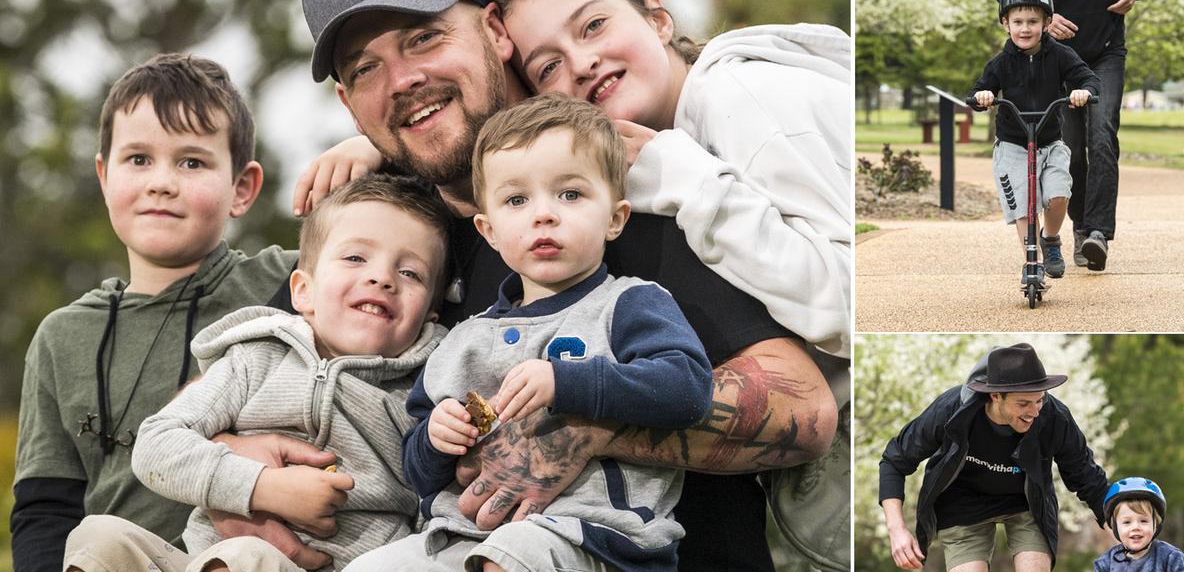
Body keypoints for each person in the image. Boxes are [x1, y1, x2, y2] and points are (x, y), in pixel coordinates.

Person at [289, 0, 837, 571]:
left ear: (495, 33)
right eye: (368, 68)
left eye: (424, 39)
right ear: (353, 107)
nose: (404, 79)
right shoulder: (374, 226)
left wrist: (589, 423)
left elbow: (802, 409)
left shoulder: (612, 192)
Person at [349, 95, 713, 571]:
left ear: (615, 218)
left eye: (570, 194)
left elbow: (687, 388)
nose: (543, 214)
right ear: (489, 229)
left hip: (594, 537)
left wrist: (567, 382)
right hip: (461, 534)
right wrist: (436, 438)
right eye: (517, 200)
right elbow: (418, 474)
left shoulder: (629, 304)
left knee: (511, 557)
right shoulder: (463, 339)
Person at [482, 0, 851, 359]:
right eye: (548, 67)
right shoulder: (662, 143)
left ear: (657, 20)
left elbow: (851, 307)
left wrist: (683, 179)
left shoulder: (741, 99)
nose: (581, 63)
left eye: (593, 25)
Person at [62, 174, 453, 572]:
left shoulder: (424, 393)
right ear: (302, 291)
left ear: (429, 315)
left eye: (410, 274)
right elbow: (156, 446)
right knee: (98, 537)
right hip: (204, 561)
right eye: (355, 258)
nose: (382, 277)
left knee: (249, 555)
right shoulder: (255, 358)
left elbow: (435, 509)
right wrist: (263, 487)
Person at [10, 54, 297, 572]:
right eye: (138, 159)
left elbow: (392, 238)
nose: (162, 181)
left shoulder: (292, 284)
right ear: (104, 175)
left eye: (192, 162)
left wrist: (366, 150)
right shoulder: (62, 337)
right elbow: (46, 509)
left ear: (242, 188)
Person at [994, 0, 1144, 272]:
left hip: (1107, 52)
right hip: (1060, 61)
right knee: (1071, 150)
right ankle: (1077, 229)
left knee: (1103, 136)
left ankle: (1097, 233)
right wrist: (1046, 16)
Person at [878, 342, 1110, 572]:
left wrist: (1119, 522)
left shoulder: (1053, 417)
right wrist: (897, 530)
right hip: (962, 503)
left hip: (1026, 503)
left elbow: (1085, 475)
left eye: (1039, 400)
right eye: (1023, 403)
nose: (1034, 412)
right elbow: (894, 461)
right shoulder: (951, 411)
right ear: (996, 395)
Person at [971, 0, 1100, 280]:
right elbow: (977, 90)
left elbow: (1087, 77)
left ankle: (1051, 238)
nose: (1025, 29)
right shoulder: (1001, 63)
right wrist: (983, 96)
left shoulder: (1061, 56)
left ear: (1046, 23)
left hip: (1050, 142)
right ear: (1006, 24)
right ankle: (1033, 261)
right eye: (1018, 22)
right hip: (1013, 145)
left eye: (1033, 22)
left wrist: (1084, 91)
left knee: (1058, 195)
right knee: (1024, 208)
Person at [1094, 477, 1184, 572]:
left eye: (1143, 521)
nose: (1136, 527)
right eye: (1127, 522)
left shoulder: (1170, 558)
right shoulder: (1106, 564)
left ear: (1155, 524)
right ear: (1115, 527)